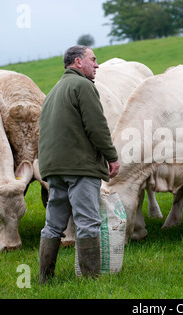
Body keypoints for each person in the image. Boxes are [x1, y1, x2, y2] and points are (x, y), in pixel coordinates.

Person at [38, 45, 120, 283]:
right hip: (79, 166)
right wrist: (111, 157)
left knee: (53, 224)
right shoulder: (83, 86)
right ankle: (90, 279)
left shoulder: (54, 90)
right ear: (77, 62)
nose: (97, 65)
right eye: (93, 60)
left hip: (54, 168)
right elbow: (97, 126)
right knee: (87, 222)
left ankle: (45, 278)